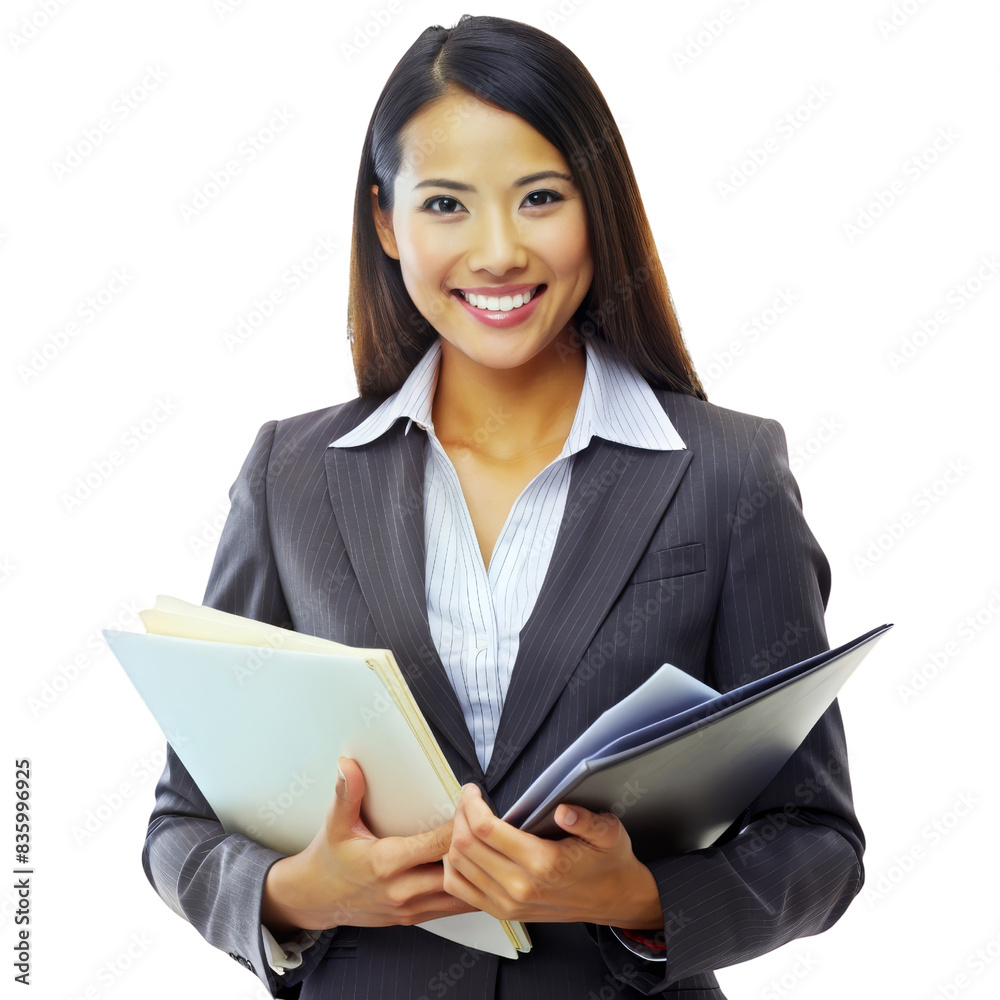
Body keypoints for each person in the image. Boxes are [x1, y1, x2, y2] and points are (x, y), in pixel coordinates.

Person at [143, 14, 864, 999]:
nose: (497, 252)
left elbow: (817, 841)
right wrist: (299, 892)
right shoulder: (292, 475)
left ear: (597, 208)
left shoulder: (728, 472)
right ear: (386, 222)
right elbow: (181, 824)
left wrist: (638, 897)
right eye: (446, 204)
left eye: (539, 198)